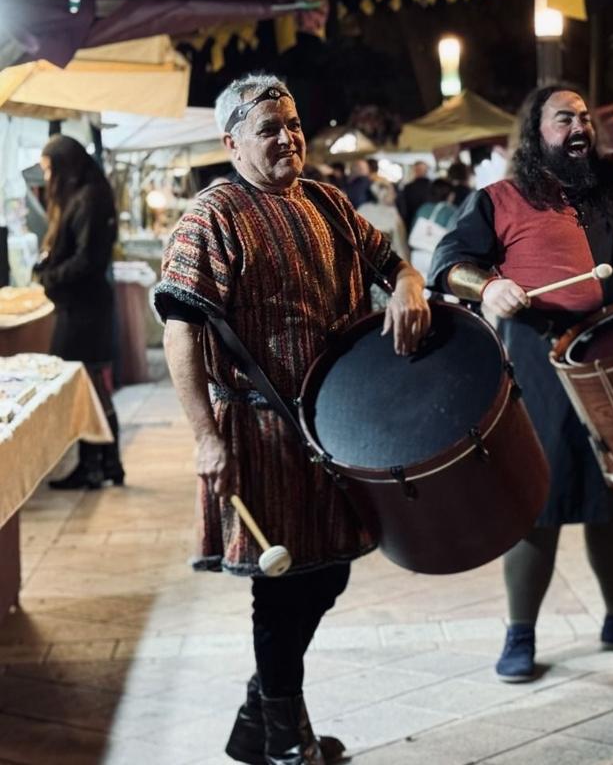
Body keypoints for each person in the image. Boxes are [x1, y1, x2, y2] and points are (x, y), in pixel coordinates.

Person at [153, 73, 430, 764]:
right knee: (283, 589)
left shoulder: (331, 204)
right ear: (233, 142)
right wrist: (205, 439)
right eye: (269, 129)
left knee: (329, 570)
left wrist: (409, 287)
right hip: (260, 432)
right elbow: (180, 332)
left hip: (335, 424)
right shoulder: (210, 217)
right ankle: (282, 740)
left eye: (294, 123)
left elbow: (395, 263)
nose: (288, 138)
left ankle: (257, 718)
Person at [429, 0, 613, 685]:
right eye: (562, 120)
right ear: (534, 134)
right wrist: (488, 286)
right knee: (537, 500)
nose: (578, 128)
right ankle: (519, 634)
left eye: (583, 117)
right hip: (539, 363)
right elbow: (446, 265)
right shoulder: (500, 199)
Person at [34, 135, 123, 489]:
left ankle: (99, 464)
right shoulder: (85, 196)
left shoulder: (90, 199)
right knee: (87, 385)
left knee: (86, 384)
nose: (46, 177)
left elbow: (88, 260)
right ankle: (101, 463)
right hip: (81, 306)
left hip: (85, 310)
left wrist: (50, 276)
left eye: (48, 168)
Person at [400, 160, 432, 230]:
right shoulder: (433, 186)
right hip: (429, 223)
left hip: (411, 223)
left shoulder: (407, 187)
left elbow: (403, 208)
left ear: (415, 171)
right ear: (426, 171)